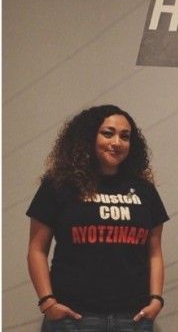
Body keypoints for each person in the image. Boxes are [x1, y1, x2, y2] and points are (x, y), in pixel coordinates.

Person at [26, 105, 169, 332]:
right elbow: (37, 249)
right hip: (73, 319)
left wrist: (156, 300)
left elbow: (154, 252)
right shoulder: (59, 185)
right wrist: (48, 302)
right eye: (108, 133)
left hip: (133, 319)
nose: (117, 142)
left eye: (125, 136)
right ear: (88, 136)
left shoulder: (144, 190)